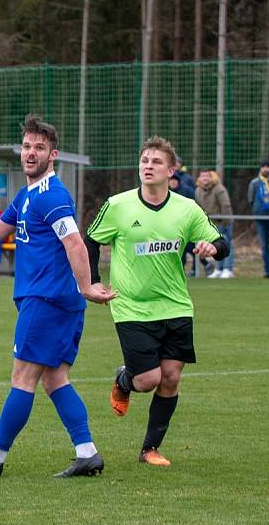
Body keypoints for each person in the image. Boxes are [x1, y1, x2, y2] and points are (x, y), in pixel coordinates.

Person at [0, 115, 116, 478]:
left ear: (54, 155)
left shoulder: (52, 197)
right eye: (26, 146)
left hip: (47, 300)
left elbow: (75, 244)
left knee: (22, 377)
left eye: (39, 147)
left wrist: (86, 286)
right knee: (55, 379)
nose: (30, 153)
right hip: (53, 302)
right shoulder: (27, 195)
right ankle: (87, 453)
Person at [85, 135, 230, 467]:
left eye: (156, 162)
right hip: (131, 305)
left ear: (171, 170)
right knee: (147, 380)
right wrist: (92, 281)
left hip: (175, 305)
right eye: (144, 160)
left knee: (171, 377)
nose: (148, 166)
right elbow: (90, 241)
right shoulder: (118, 205)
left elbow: (220, 242)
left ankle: (149, 449)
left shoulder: (187, 208)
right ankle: (125, 379)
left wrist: (213, 249)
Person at [194, 169, 234, 278]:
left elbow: (225, 206)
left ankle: (228, 269)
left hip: (222, 222)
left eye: (207, 176)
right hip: (210, 224)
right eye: (202, 176)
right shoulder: (198, 190)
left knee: (227, 244)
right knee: (216, 246)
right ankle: (218, 269)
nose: (205, 178)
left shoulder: (219, 189)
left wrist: (226, 222)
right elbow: (198, 208)